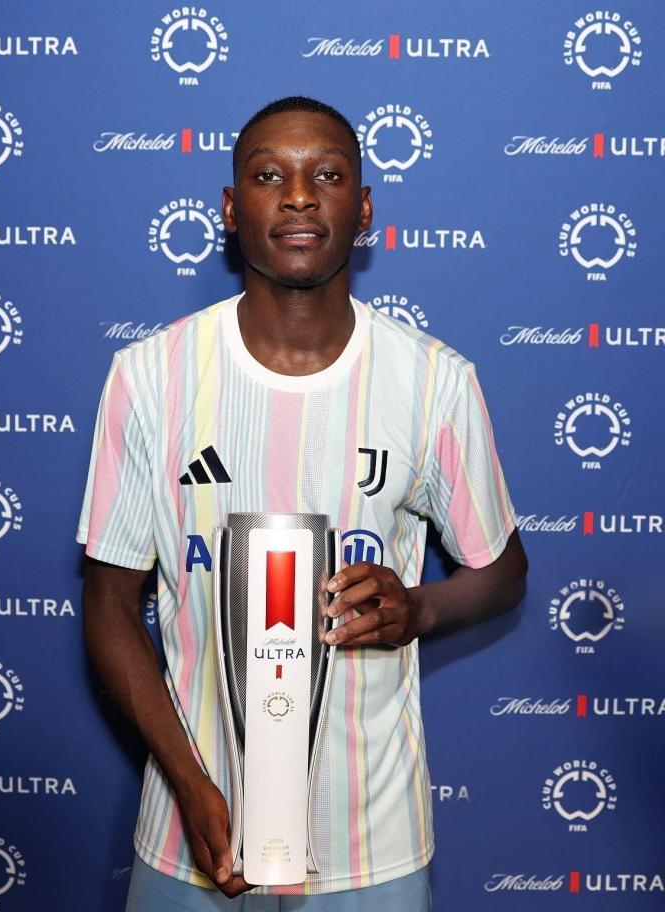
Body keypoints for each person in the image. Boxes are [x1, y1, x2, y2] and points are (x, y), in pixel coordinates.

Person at [77, 96, 527, 911]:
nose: (296, 196)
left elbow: (503, 572)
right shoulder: (150, 377)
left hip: (371, 844)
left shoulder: (434, 381)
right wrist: (188, 784)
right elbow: (110, 603)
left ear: (363, 208)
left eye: (326, 175)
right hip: (192, 836)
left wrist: (419, 607)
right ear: (230, 208)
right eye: (267, 176)